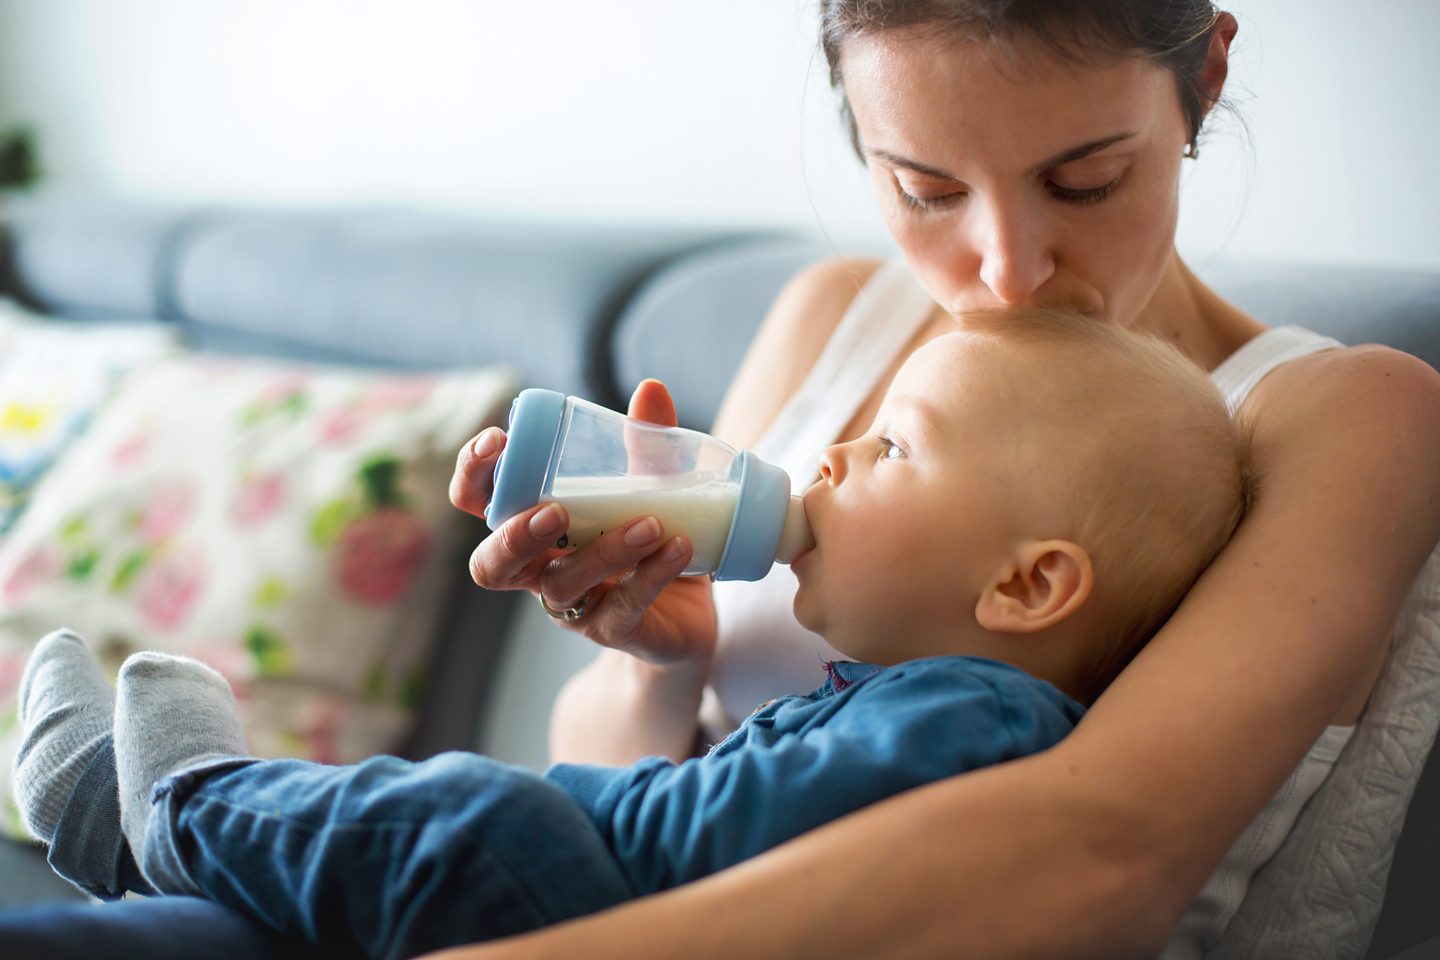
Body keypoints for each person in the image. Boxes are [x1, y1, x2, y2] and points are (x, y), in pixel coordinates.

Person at [444, 3, 1440, 958]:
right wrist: (662, 662)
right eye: (929, 190)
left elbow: (1107, 858)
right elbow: (599, 777)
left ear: (1206, 76)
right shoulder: (832, 315)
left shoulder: (1338, 415)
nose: (1007, 275)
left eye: (1084, 181)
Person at [13, 311, 1251, 960]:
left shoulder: (977, 716)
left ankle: (172, 801)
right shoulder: (894, 689)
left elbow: (720, 840)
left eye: (891, 451)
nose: (830, 455)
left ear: (1029, 586)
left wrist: (563, 812)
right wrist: (673, 659)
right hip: (594, 904)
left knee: (482, 819)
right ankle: (141, 840)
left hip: (617, 928)